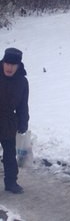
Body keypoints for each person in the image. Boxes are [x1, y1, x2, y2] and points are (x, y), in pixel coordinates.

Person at [0, 47, 29, 194]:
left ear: (18, 66)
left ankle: (11, 182)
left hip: (8, 122)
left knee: (10, 154)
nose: (9, 67)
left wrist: (23, 122)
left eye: (13, 64)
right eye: (7, 63)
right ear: (3, 62)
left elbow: (23, 105)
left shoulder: (22, 82)